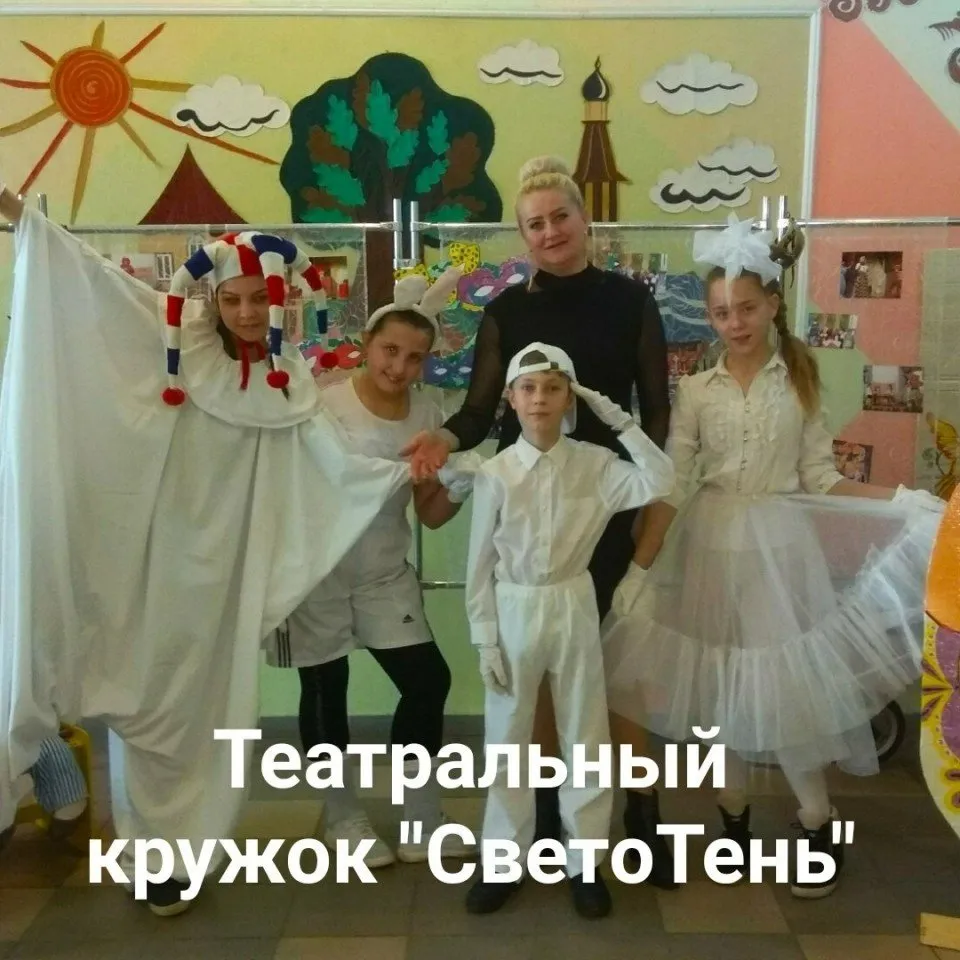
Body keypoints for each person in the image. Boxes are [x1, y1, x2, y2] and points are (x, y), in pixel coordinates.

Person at [0, 183, 412, 916]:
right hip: (158, 560)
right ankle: (147, 852)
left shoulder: (288, 381)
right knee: (149, 697)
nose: (248, 312)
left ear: (280, 298)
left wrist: (394, 473)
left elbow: (328, 461)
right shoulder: (174, 342)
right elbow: (93, 280)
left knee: (208, 713)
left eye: (260, 298)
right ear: (213, 300)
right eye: (233, 299)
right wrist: (18, 215)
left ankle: (186, 854)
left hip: (228, 576)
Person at [603, 213, 945, 899]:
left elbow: (821, 476)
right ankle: (732, 816)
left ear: (772, 305)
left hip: (779, 548)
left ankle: (816, 816)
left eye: (747, 308)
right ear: (710, 317)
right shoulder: (696, 390)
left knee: (783, 687)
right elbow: (675, 483)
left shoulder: (798, 382)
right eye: (721, 312)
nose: (735, 322)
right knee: (722, 684)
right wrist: (640, 570)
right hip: (709, 545)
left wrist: (901, 501)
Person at [400, 156, 676, 880]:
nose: (550, 232)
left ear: (584, 219)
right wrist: (444, 441)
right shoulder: (508, 312)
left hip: (605, 495)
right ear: (522, 235)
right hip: (527, 500)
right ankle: (545, 824)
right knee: (540, 682)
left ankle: (638, 817)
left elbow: (656, 408)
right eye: (535, 224)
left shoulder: (631, 301)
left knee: (616, 669)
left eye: (560, 216)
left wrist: (647, 503)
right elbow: (478, 410)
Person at [267, 268, 478, 867]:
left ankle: (420, 816)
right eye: (390, 350)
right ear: (367, 343)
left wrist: (457, 486)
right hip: (318, 570)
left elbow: (429, 514)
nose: (399, 367)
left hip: (384, 572)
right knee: (325, 687)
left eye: (414, 358)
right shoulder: (321, 404)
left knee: (427, 681)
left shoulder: (428, 415)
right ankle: (342, 816)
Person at [461, 341, 674, 918]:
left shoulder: (597, 465)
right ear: (510, 398)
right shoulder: (496, 474)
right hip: (514, 604)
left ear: (570, 398)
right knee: (508, 739)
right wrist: (484, 638)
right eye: (528, 388)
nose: (540, 399)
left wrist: (617, 418)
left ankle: (585, 862)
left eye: (554, 388)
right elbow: (479, 564)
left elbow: (661, 480)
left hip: (573, 601)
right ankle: (503, 861)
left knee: (586, 735)